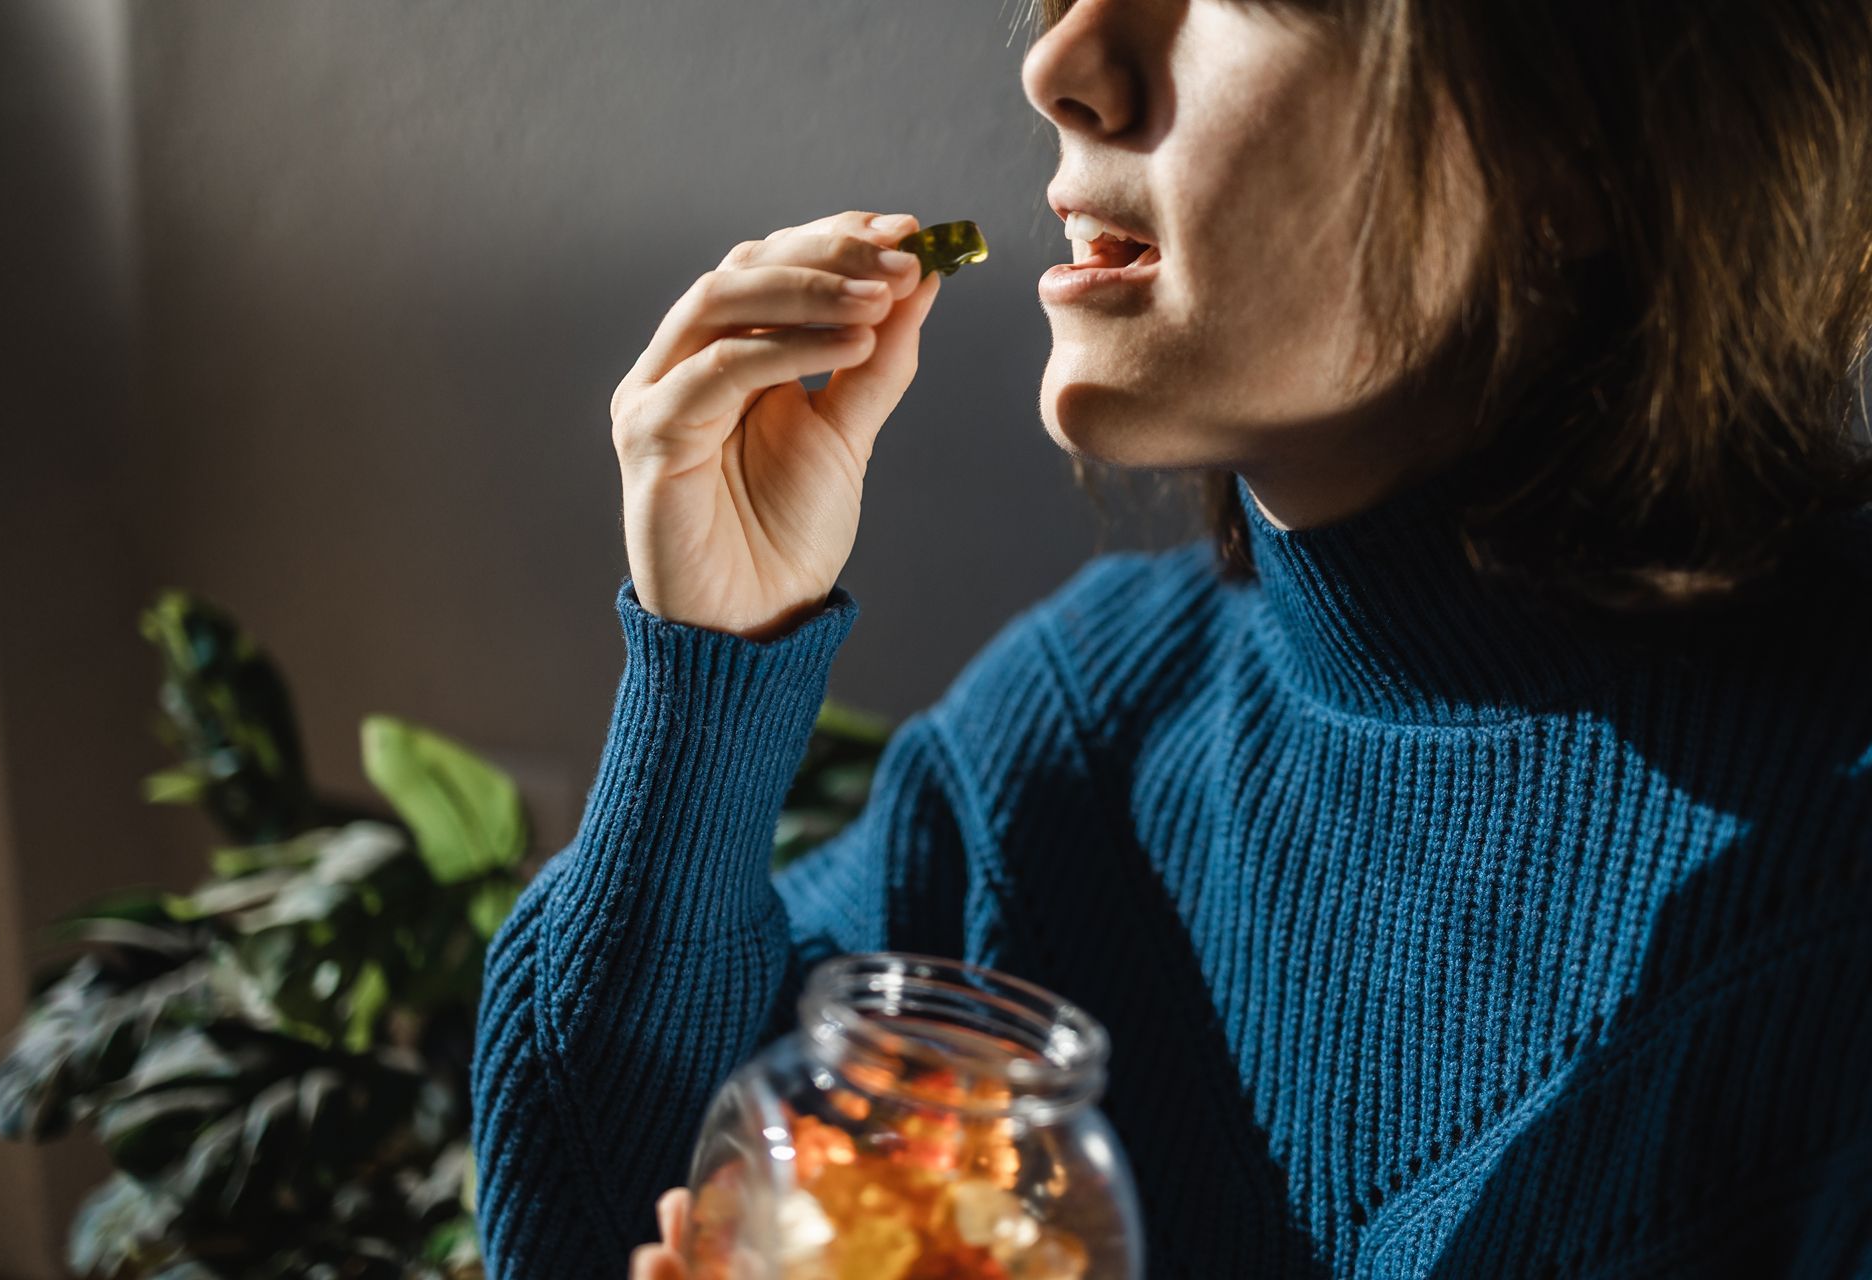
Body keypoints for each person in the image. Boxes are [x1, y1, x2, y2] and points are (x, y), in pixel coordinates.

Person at [471, 0, 1872, 1274]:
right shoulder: (1086, 726)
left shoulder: (1820, 903)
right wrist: (714, 666)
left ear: (1595, 134)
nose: (1061, 63)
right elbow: (607, 1216)